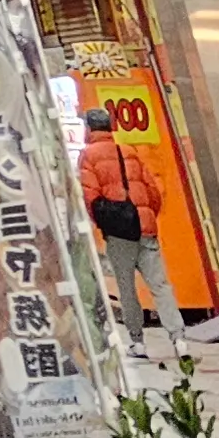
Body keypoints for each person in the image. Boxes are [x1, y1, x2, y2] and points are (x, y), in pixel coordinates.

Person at [79, 108, 185, 357]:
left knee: (127, 288)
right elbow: (152, 191)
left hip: (119, 233)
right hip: (145, 227)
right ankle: (179, 339)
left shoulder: (88, 155)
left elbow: (90, 196)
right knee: (160, 285)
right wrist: (147, 217)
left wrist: (103, 224)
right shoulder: (128, 151)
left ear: (89, 128)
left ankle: (138, 342)